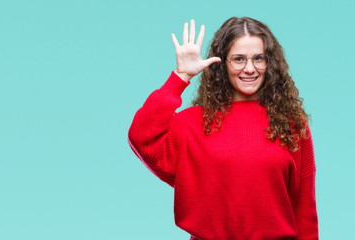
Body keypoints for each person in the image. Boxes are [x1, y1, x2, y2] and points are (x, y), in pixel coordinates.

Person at [128, 17, 318, 240]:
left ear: (270, 63)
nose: (250, 68)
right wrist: (181, 77)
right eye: (238, 59)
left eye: (258, 58)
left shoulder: (291, 124)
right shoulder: (194, 122)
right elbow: (141, 136)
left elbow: (304, 210)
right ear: (222, 63)